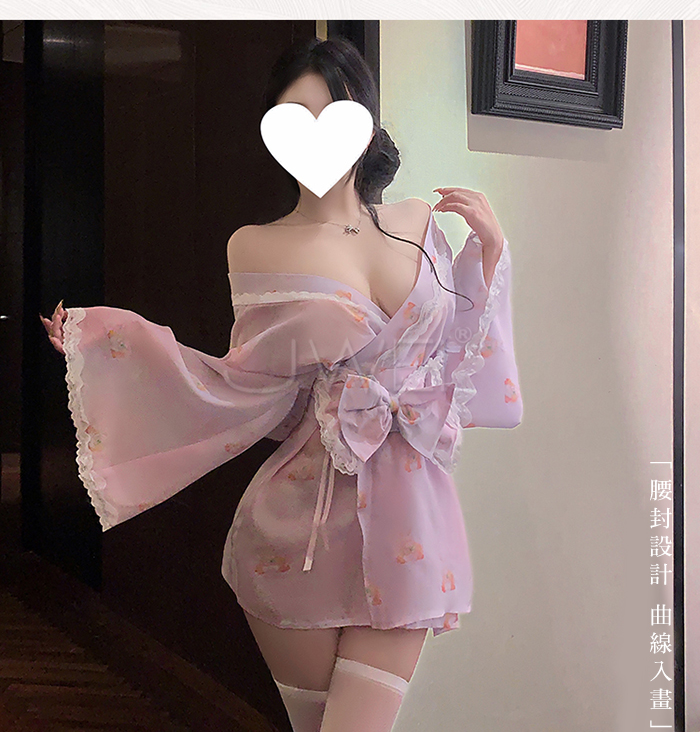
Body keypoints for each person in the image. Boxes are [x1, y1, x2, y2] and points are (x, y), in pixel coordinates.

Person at [41, 36, 522, 732]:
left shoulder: (419, 222)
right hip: (300, 530)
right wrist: (101, 345)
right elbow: (243, 384)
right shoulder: (255, 245)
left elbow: (455, 359)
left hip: (412, 517)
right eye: (297, 119)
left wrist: (493, 252)